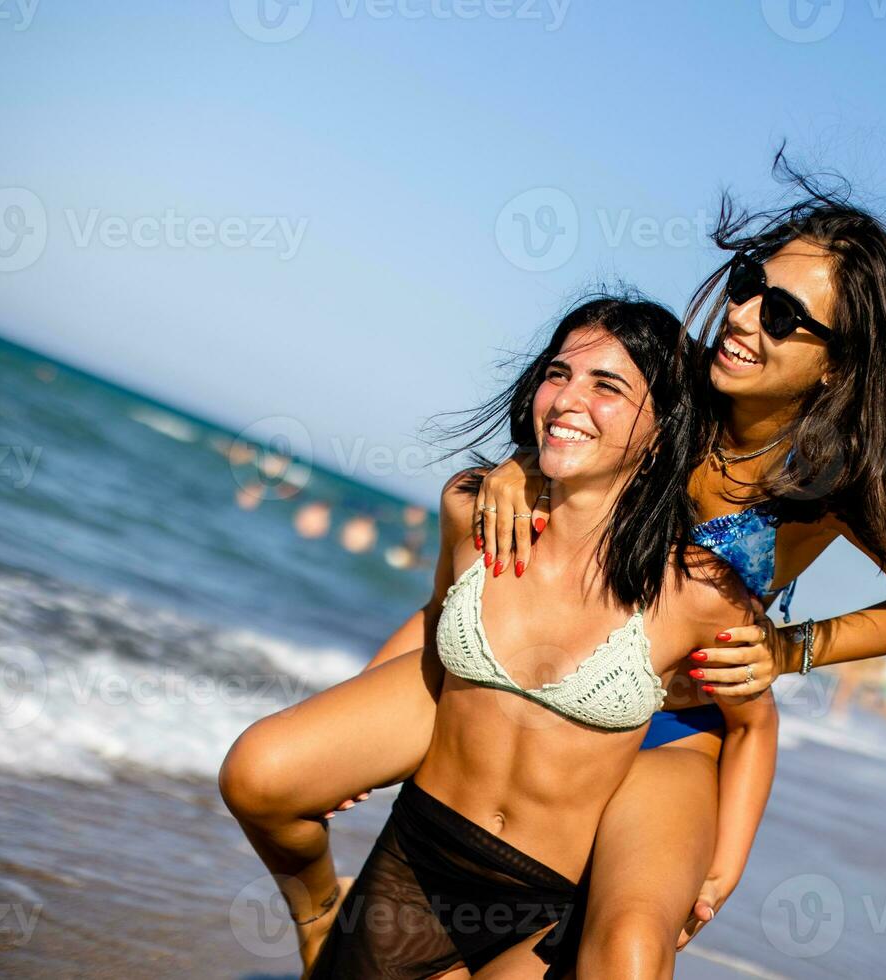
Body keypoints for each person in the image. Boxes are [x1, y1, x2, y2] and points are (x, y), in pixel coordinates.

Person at [223, 156, 886, 974]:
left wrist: (794, 649)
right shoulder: (674, 389)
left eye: (785, 314)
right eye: (748, 283)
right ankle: (320, 916)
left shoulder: (840, 480)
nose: (743, 316)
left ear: (839, 361)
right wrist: (519, 470)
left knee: (625, 949)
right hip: (523, 669)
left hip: (666, 723)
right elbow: (570, 421)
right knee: (268, 775)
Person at [225, 296, 777, 977]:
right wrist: (353, 740)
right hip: (416, 865)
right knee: (255, 771)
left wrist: (720, 872)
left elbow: (752, 725)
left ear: (662, 428)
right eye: (558, 374)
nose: (569, 399)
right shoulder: (473, 507)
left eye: (608, 386)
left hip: (545, 907)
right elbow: (435, 616)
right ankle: (319, 914)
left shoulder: (695, 591)